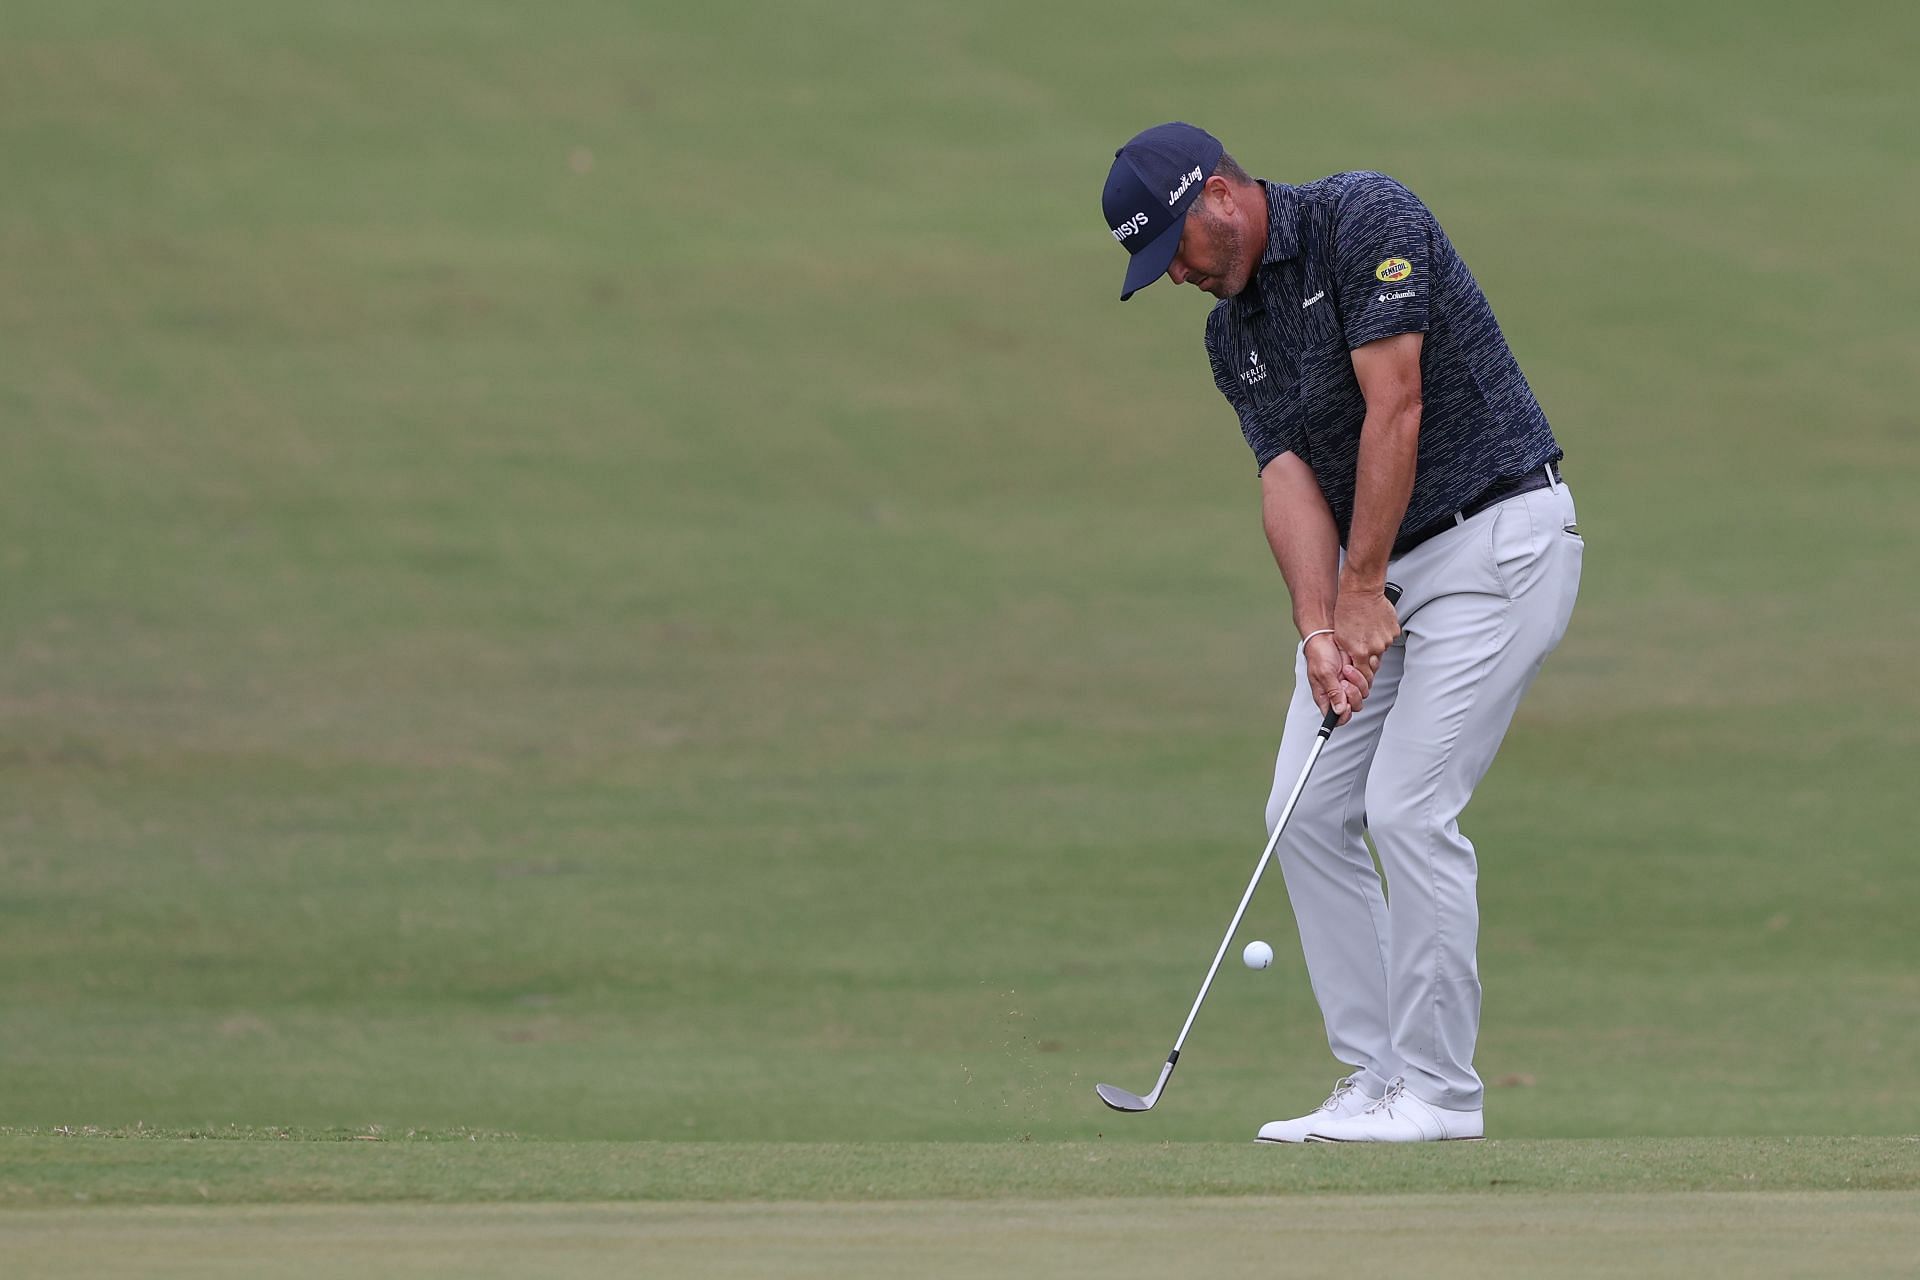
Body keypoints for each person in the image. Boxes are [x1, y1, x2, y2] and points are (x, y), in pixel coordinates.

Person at [1100, 122, 1583, 1142]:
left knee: (1408, 806)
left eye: (1174, 249)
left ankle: (1443, 1095)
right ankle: (1377, 1074)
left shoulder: (1366, 216)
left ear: (1219, 197)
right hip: (1385, 568)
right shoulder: (1231, 336)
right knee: (1306, 806)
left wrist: (1363, 586)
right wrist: (1321, 623)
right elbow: (1287, 480)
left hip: (1495, 540)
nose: (1176, 276)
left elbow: (1394, 404)